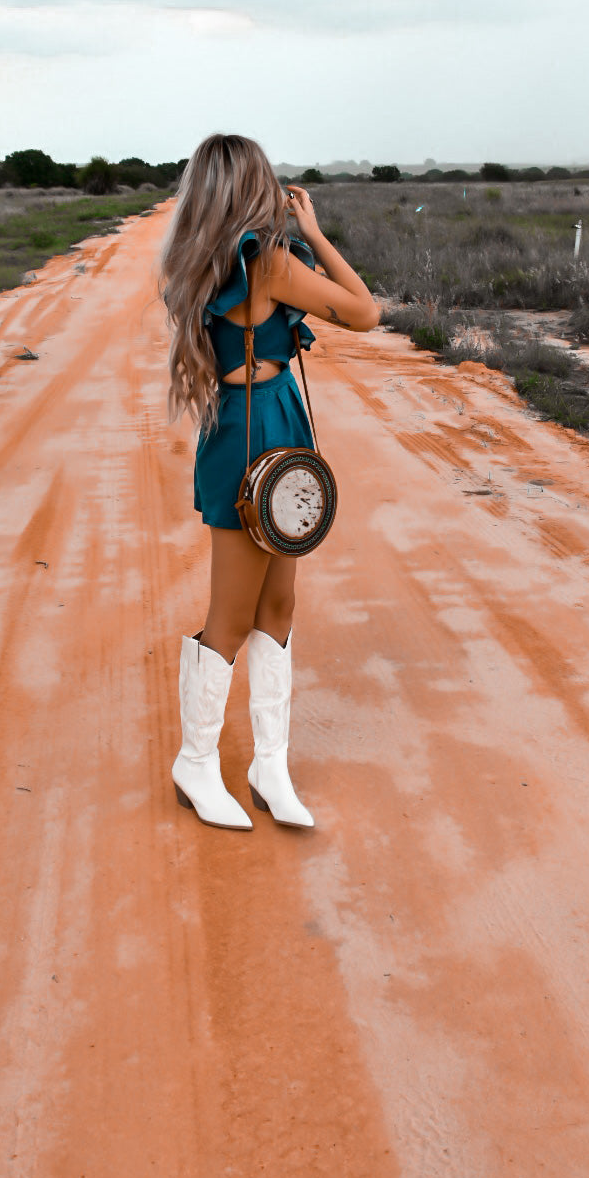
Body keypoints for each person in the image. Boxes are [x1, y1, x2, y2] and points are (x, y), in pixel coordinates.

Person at [158, 134, 380, 831]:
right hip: (255, 431)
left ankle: (269, 765)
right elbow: (365, 313)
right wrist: (315, 231)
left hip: (265, 423)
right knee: (232, 613)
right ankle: (195, 763)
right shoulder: (269, 262)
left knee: (277, 604)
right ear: (256, 185)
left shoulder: (205, 257)